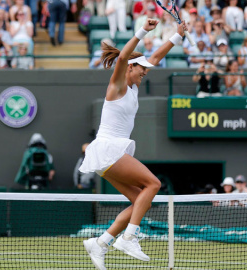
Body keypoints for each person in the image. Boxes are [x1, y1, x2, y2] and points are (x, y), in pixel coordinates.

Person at [79, 19, 188, 270]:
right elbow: (122, 58)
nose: (146, 71)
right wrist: (143, 31)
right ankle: (128, 237)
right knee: (154, 183)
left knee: (142, 199)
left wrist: (177, 36)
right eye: (142, 69)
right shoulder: (116, 85)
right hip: (108, 148)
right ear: (131, 67)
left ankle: (102, 242)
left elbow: (156, 57)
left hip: (108, 154)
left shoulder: (135, 86)